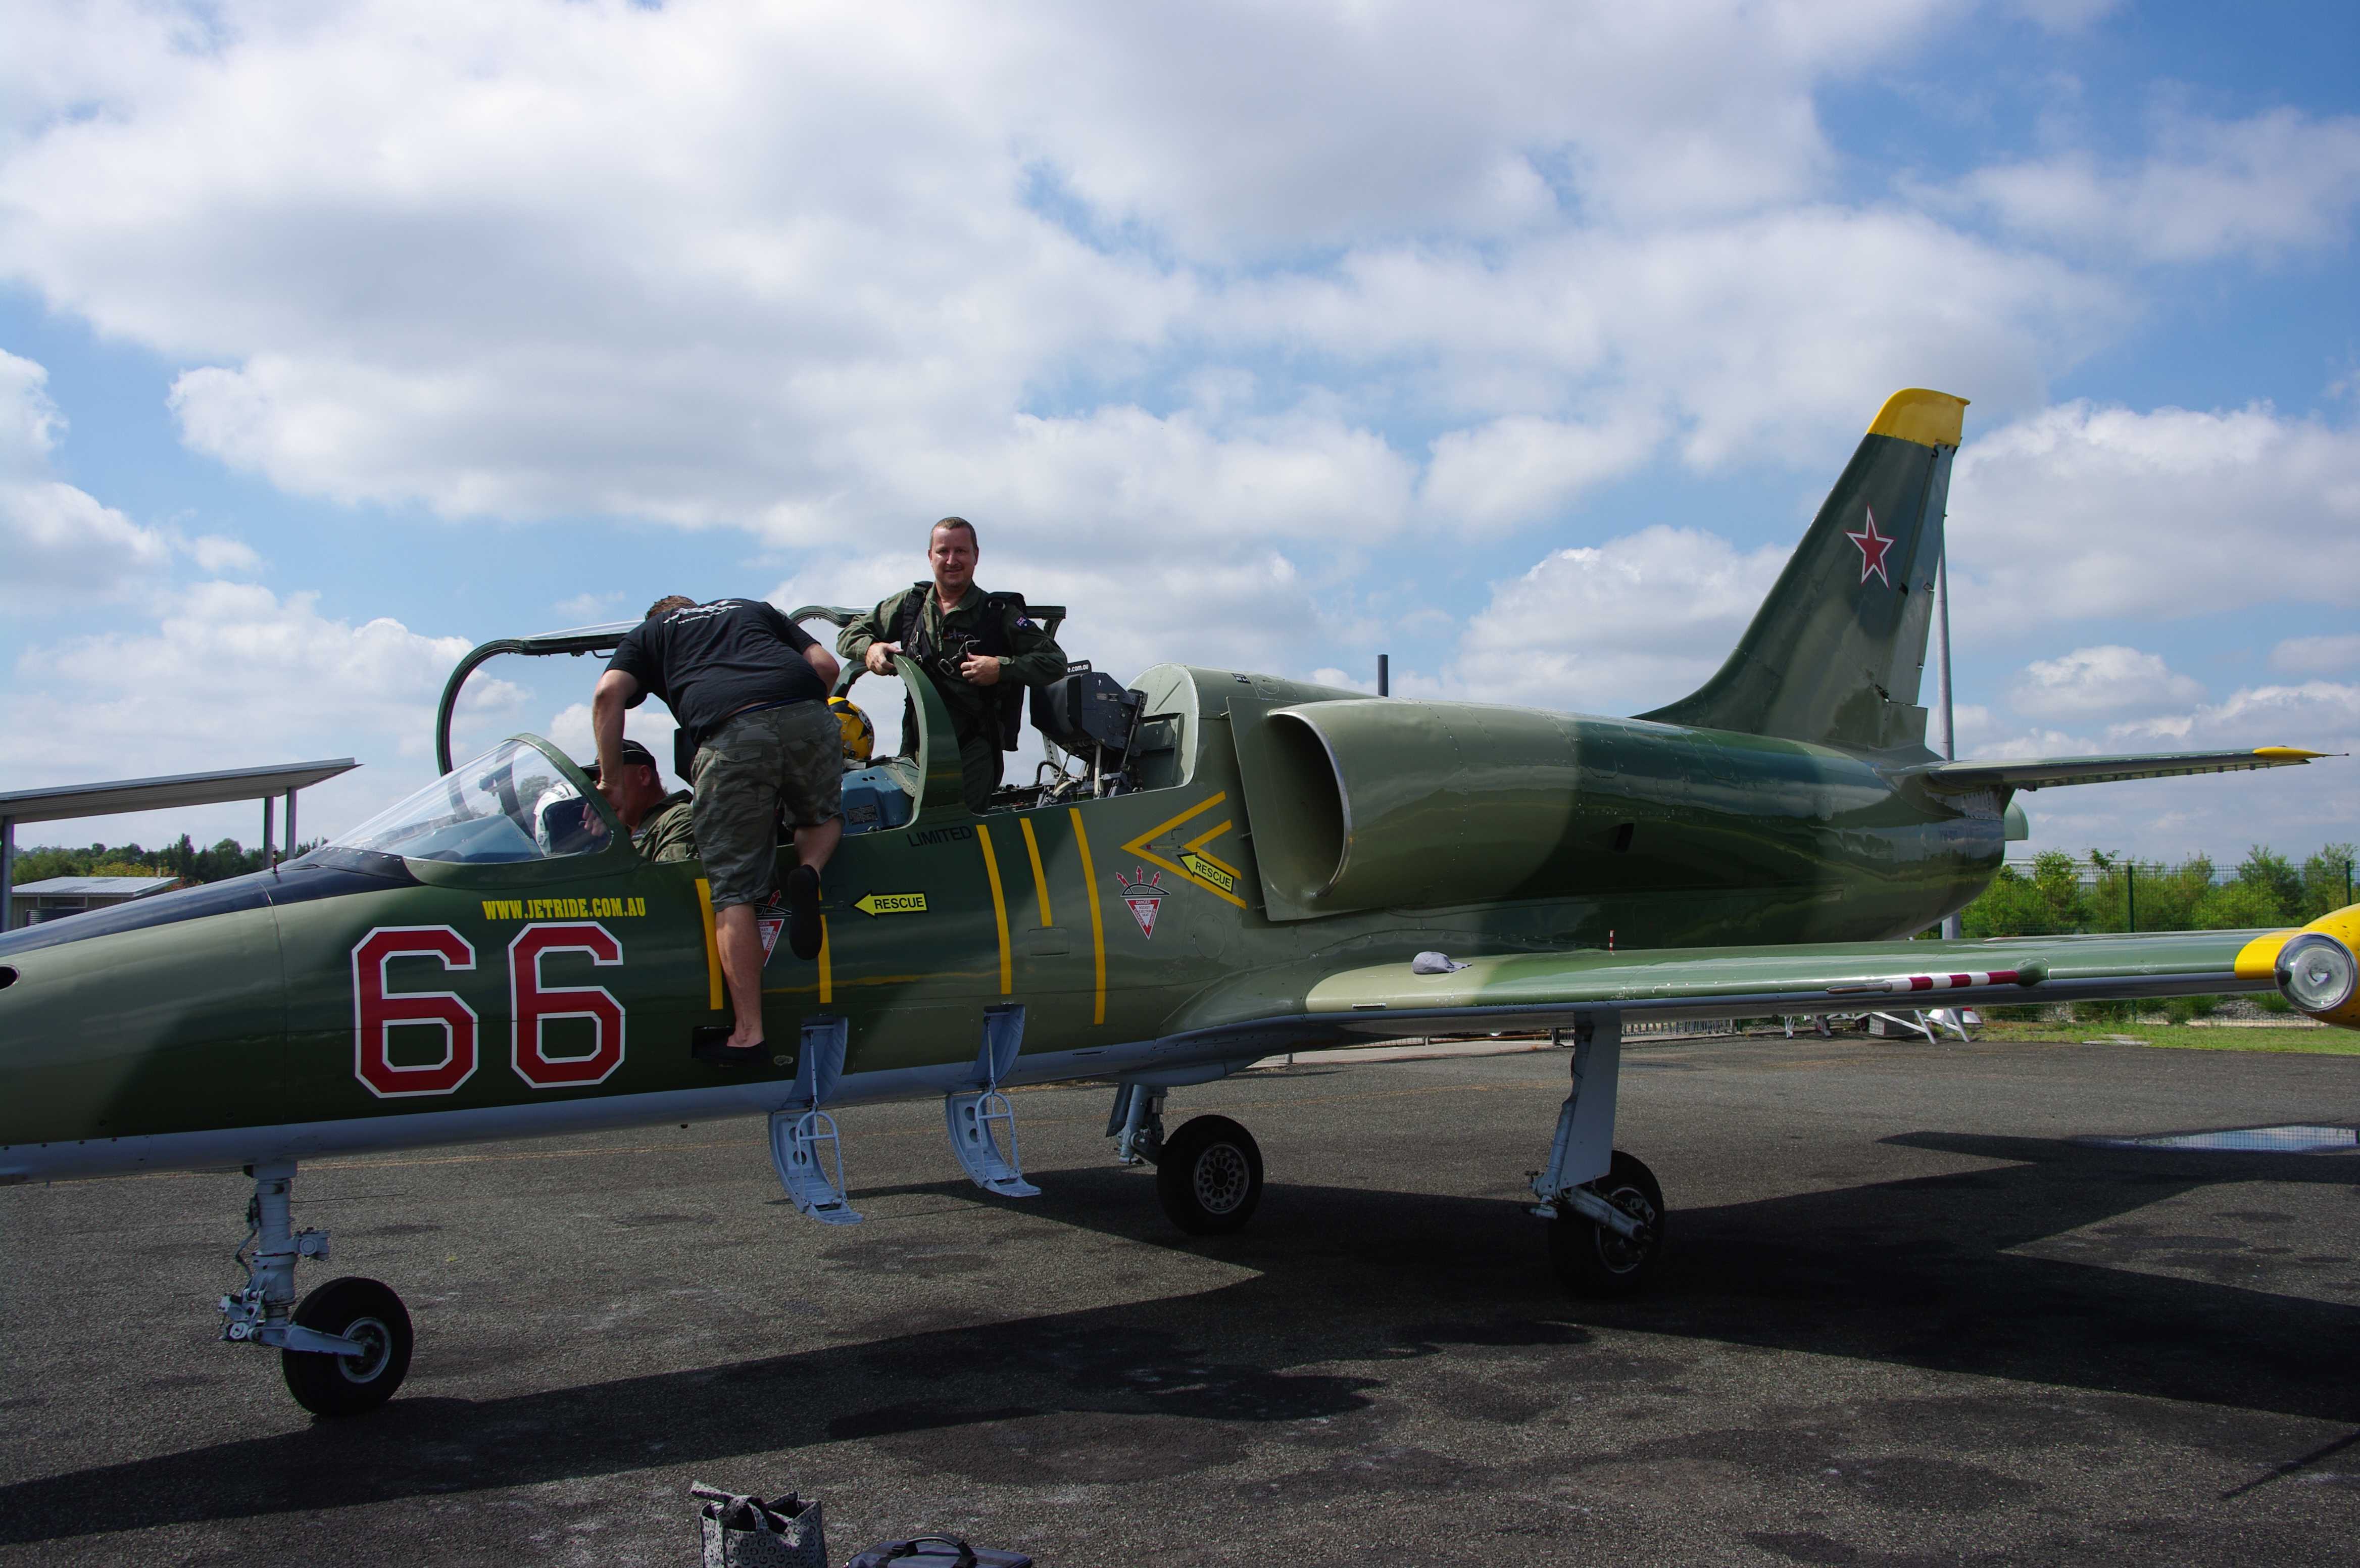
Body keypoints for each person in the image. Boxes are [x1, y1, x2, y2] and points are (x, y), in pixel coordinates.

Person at [593, 595, 842, 1069]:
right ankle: (809, 870)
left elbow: (608, 694)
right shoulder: (751, 609)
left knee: (732, 889)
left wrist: (610, 783)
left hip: (731, 732)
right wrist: (800, 716)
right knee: (819, 815)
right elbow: (825, 667)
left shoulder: (654, 633)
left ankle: (748, 1035)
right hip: (809, 712)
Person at [837, 517, 1067, 812]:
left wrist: (1001, 668)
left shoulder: (997, 614)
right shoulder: (912, 605)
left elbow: (1054, 661)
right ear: (930, 556)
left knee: (960, 829)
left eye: (961, 551)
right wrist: (870, 649)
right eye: (943, 551)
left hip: (972, 749)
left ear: (975, 556)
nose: (951, 560)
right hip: (918, 749)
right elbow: (849, 635)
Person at [591, 739, 695, 862]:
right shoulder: (619, 831)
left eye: (611, 781)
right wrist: (602, 841)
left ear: (644, 776)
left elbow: (673, 873)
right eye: (600, 783)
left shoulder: (678, 819)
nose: (604, 791)